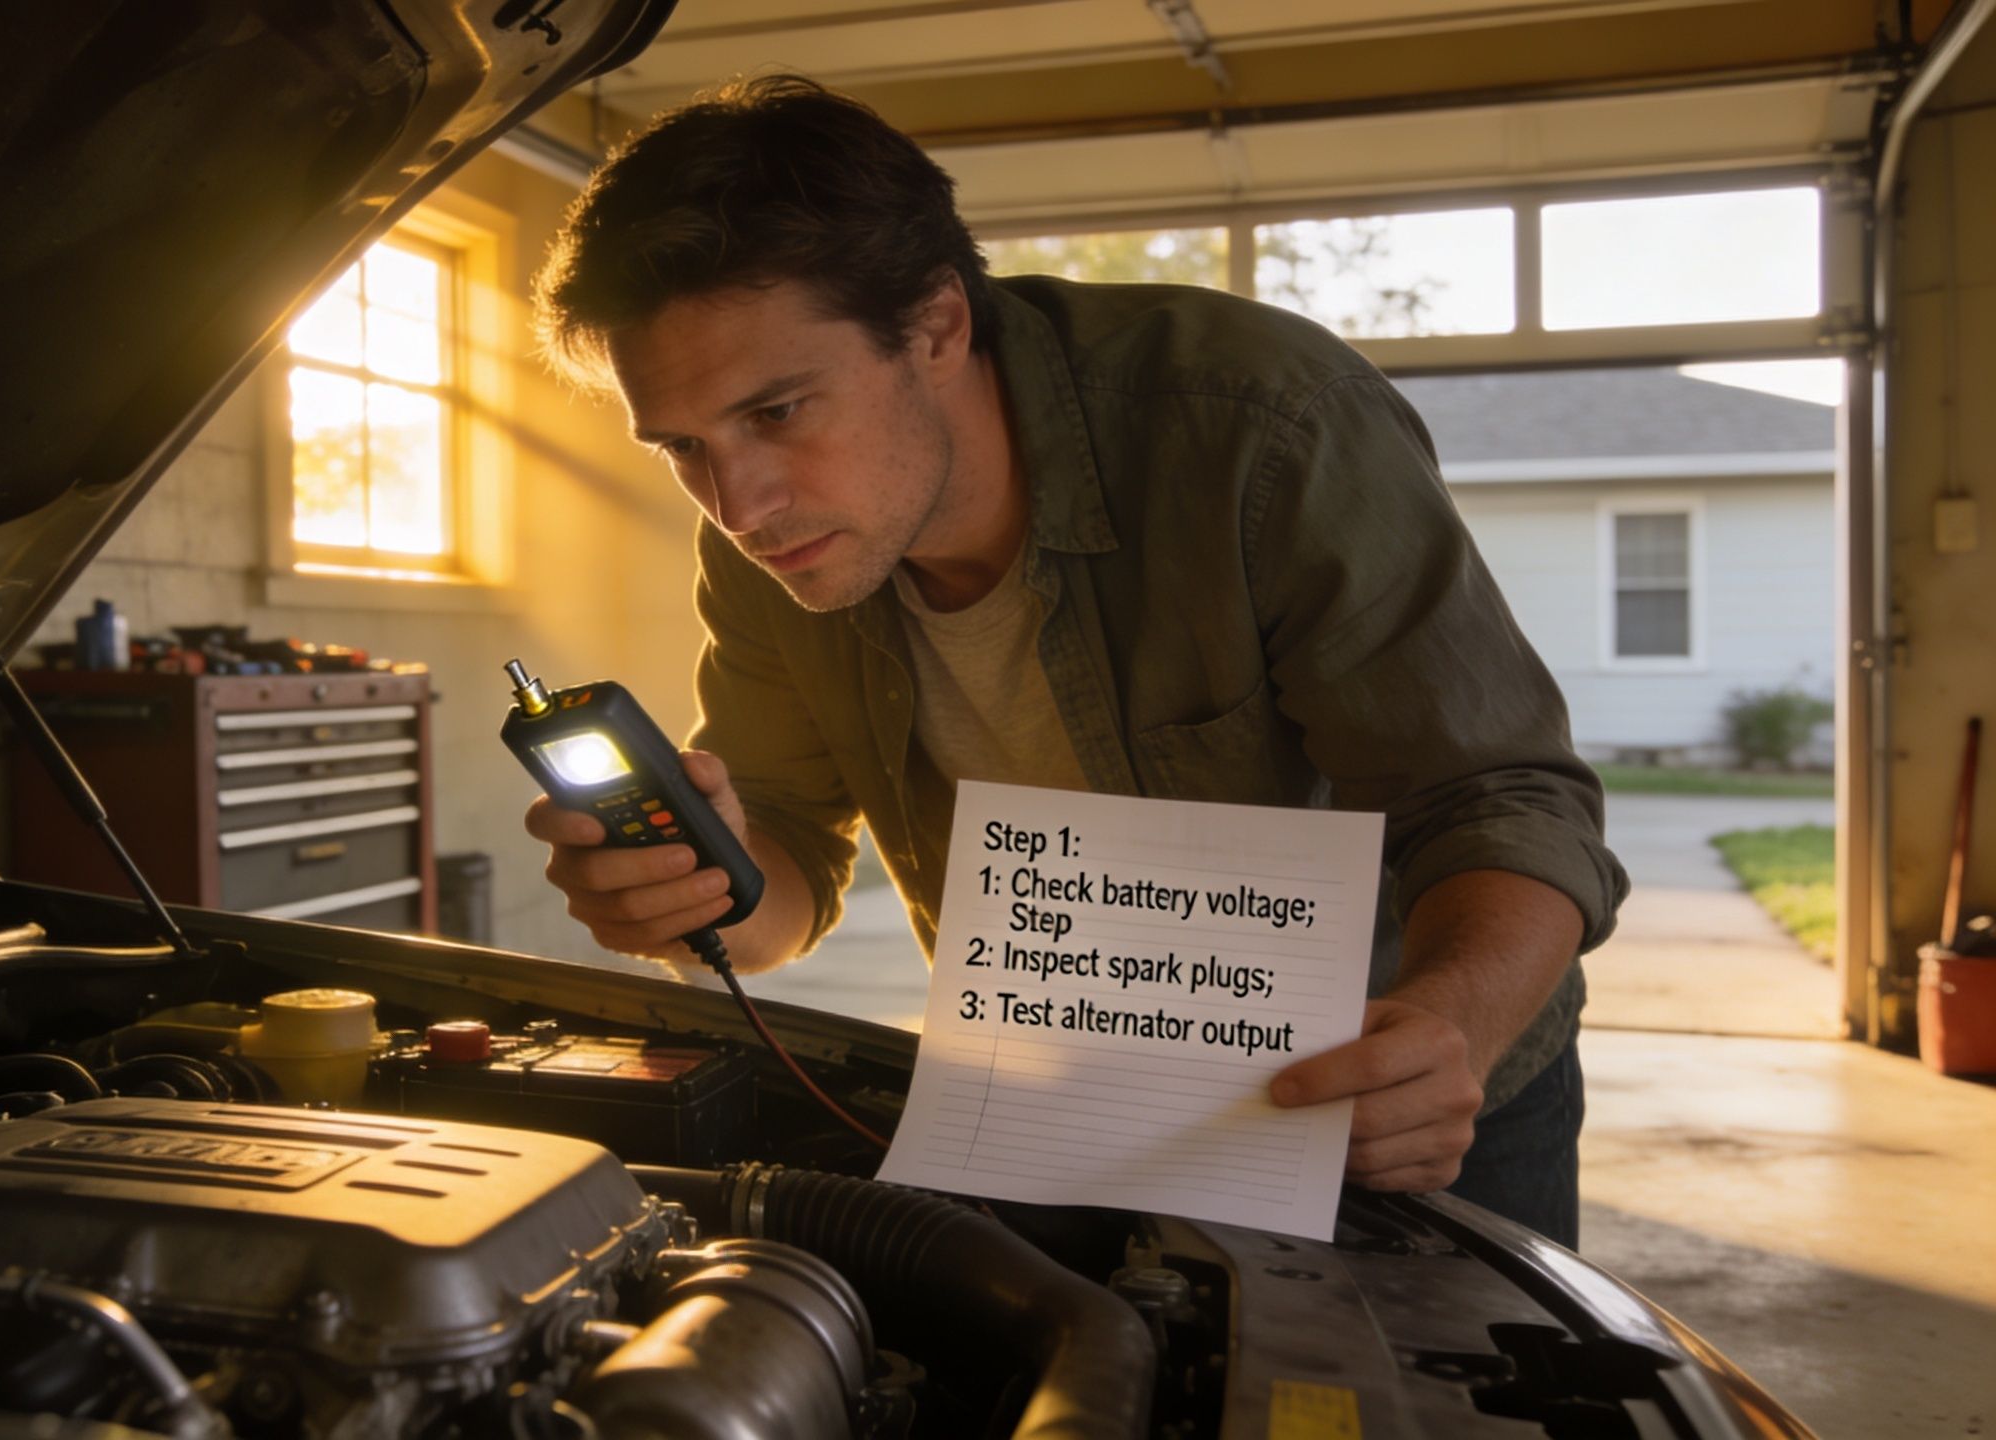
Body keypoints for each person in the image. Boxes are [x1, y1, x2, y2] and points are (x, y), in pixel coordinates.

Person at [520, 76, 1627, 1246]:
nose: (738, 501)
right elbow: (788, 861)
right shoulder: (766, 543)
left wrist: (1447, 1022)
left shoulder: (1263, 426)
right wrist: (699, 894)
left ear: (938, 326)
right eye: (683, 447)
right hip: (1064, 1088)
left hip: (1392, 1092)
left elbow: (1501, 799)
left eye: (780, 412)